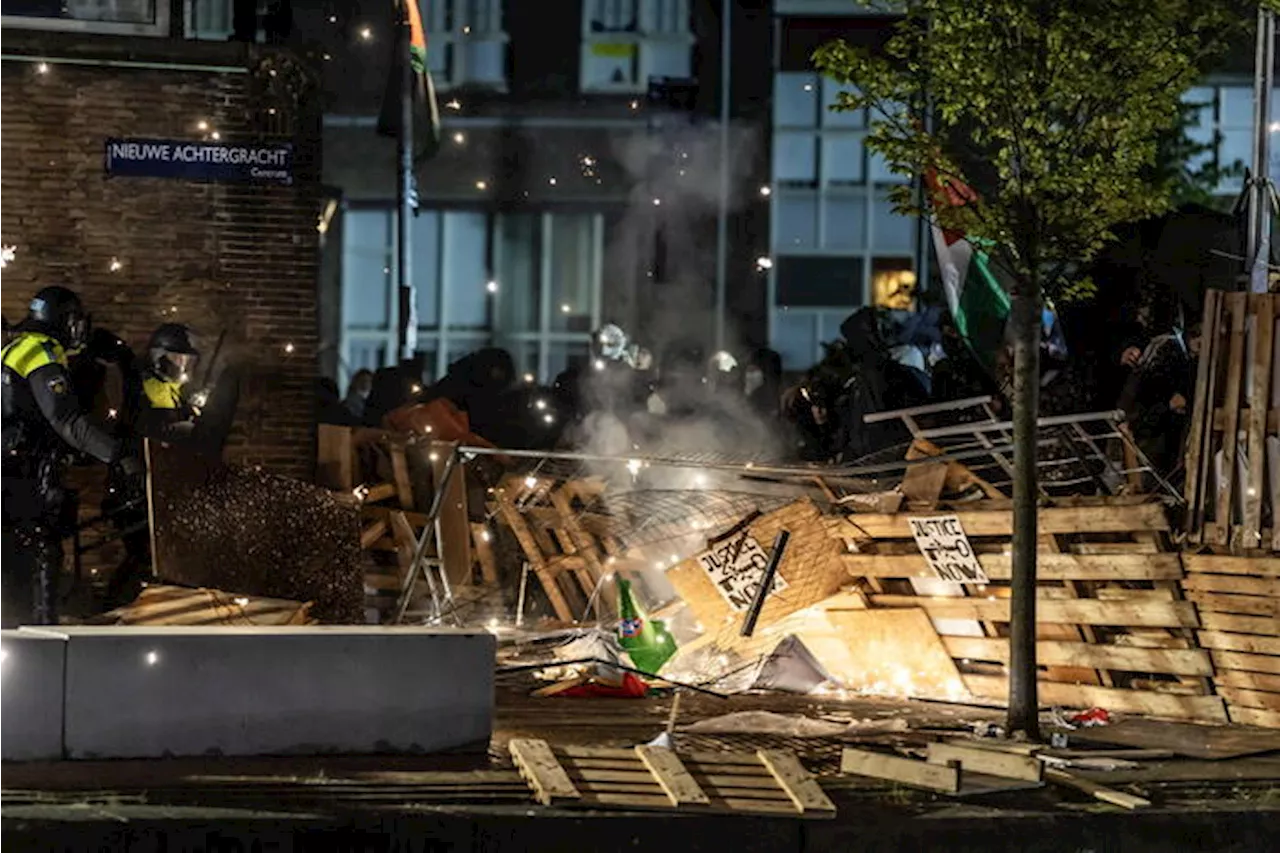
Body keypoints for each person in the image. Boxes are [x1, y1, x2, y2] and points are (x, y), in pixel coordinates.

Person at [0, 286, 141, 626]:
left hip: (12, 476)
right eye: (75, 321)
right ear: (62, 321)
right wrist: (118, 455)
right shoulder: (41, 351)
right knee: (38, 561)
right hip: (20, 482)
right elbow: (65, 419)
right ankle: (38, 656)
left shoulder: (17, 347)